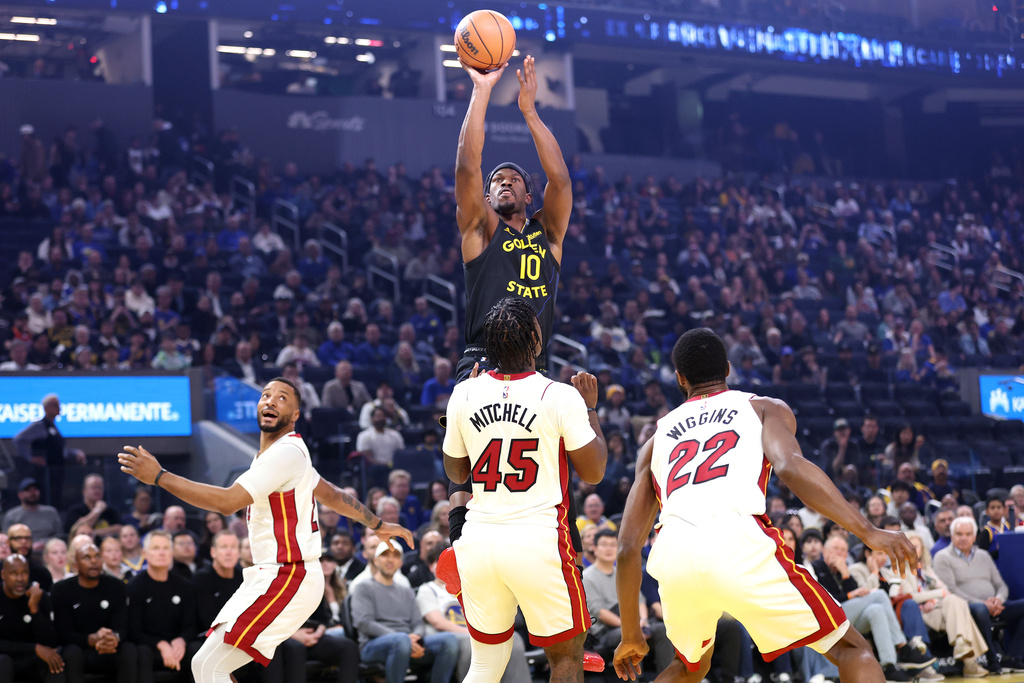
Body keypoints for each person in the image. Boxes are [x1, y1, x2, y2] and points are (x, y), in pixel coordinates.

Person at [612, 328, 917, 683]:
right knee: (852, 650)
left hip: (673, 553)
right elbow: (789, 467)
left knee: (688, 667)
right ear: (728, 369)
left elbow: (626, 548)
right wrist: (869, 531)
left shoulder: (654, 438)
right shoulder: (762, 408)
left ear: (680, 378)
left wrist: (631, 634)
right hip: (738, 541)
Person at [117, 376, 415, 683]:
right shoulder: (276, 457)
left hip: (289, 575)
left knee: (207, 666)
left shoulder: (287, 454)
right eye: (266, 395)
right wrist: (377, 524)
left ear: (296, 416)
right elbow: (332, 495)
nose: (271, 401)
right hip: (269, 574)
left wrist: (160, 477)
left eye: (283, 398)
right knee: (215, 665)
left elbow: (227, 502)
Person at [443, 297, 607, 683]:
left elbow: (455, 468)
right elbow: (595, 471)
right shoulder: (559, 395)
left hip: (479, 541)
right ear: (536, 342)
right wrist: (591, 410)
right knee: (566, 657)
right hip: (538, 542)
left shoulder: (464, 394)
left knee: (484, 665)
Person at [416, 541, 531, 683]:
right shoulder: (427, 589)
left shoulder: (470, 587)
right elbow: (438, 622)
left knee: (513, 638)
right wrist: (471, 633)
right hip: (449, 635)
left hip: (475, 630)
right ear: (430, 567)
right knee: (470, 643)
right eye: (437, 562)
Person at [351, 542, 459, 683]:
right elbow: (364, 623)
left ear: (401, 563)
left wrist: (416, 638)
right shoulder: (363, 587)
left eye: (395, 556)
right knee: (401, 641)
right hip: (373, 645)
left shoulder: (406, 591)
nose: (390, 559)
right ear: (375, 560)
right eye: (385, 555)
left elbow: (417, 623)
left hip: (408, 642)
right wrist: (405, 639)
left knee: (448, 641)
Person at [932, 516, 1024, 674]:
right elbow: (950, 589)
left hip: (995, 605)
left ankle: (1014, 657)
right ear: (952, 536)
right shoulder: (942, 557)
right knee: (980, 609)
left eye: (968, 534)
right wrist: (983, 603)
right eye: (959, 534)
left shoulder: (983, 555)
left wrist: (998, 600)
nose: (963, 538)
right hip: (965, 607)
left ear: (974, 536)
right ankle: (992, 660)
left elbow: (1000, 584)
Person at [584, 529, 674, 672]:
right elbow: (600, 612)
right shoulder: (587, 577)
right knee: (629, 636)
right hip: (608, 630)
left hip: (634, 623)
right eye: (604, 545)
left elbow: (640, 600)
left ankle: (668, 678)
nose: (609, 549)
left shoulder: (623, 574)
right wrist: (631, 627)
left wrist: (643, 620)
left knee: (662, 630)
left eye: (613, 545)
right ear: (594, 549)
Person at [53, 542, 138, 683]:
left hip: (109, 648)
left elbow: (122, 626)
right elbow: (62, 633)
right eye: (87, 557)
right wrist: (91, 639)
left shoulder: (116, 586)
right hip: (80, 648)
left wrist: (114, 638)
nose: (93, 561)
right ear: (76, 564)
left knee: (129, 649)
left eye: (97, 557)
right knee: (71, 652)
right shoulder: (61, 590)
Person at [126, 530, 197, 681]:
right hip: (149, 647)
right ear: (145, 553)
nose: (161, 553)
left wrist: (182, 640)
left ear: (171, 553)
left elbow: (191, 625)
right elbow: (133, 630)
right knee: (141, 652)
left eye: (165, 548)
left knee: (196, 650)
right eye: (156, 548)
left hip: (177, 647)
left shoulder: (184, 586)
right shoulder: (134, 587)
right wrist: (160, 644)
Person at [12, 393, 86, 506]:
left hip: (56, 476)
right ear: (46, 408)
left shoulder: (53, 427)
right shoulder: (39, 426)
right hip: (44, 477)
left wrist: (75, 453)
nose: (59, 407)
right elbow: (18, 440)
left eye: (59, 404)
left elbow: (59, 451)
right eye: (55, 405)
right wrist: (30, 458)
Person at [0, 554, 65, 683]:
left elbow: (51, 641)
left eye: (24, 573)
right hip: (5, 657)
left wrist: (35, 610)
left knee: (55, 658)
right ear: (3, 575)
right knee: (3, 662)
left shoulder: (40, 597)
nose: (20, 578)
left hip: (31, 659)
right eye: (14, 573)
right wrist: (34, 648)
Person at [63, 474, 122, 539]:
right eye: (93, 487)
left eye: (100, 488)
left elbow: (120, 529)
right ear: (84, 490)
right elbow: (73, 532)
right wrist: (97, 511)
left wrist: (93, 532)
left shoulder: (110, 511)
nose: (97, 491)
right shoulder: (75, 511)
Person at [4, 522, 53, 589]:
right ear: (8, 542)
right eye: (18, 538)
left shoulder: (41, 572)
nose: (24, 541)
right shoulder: (1, 568)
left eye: (27, 538)